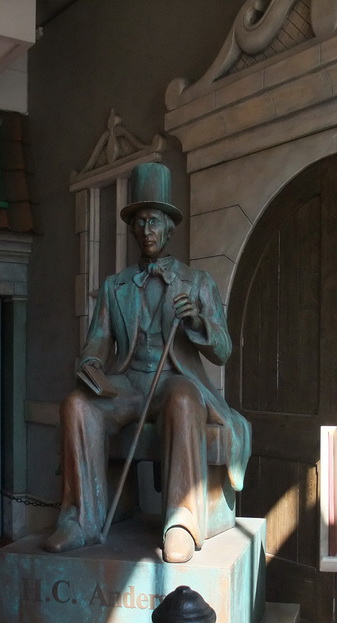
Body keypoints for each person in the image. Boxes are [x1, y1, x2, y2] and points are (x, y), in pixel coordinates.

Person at [44, 162, 251, 563]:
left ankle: (181, 520)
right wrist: (90, 365)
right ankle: (81, 520)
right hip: (128, 383)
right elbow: (99, 341)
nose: (146, 230)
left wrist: (197, 321)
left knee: (184, 398)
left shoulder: (198, 283)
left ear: (169, 228)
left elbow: (223, 350)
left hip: (174, 380)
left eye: (153, 221)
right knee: (76, 404)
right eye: (139, 223)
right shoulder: (114, 286)